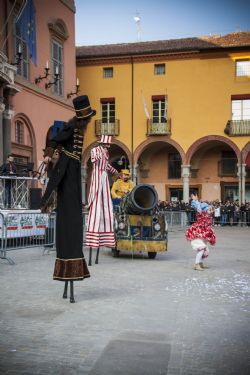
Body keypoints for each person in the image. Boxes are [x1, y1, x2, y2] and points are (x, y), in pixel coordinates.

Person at [41, 95, 95, 302]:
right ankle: (67, 276)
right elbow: (54, 140)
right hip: (67, 173)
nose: (89, 122)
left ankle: (69, 279)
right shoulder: (71, 128)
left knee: (74, 223)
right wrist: (49, 154)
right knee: (69, 222)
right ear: (84, 118)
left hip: (72, 172)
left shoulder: (77, 129)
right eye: (88, 118)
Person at [85, 135, 118, 248]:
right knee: (96, 194)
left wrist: (114, 171)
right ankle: (91, 204)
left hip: (104, 175)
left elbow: (106, 165)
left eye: (107, 145)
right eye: (106, 145)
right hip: (97, 174)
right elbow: (94, 160)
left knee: (106, 201)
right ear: (103, 144)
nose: (107, 147)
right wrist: (101, 153)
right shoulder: (95, 150)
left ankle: (106, 237)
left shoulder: (106, 152)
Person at [186, 192, 216, 271]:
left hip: (203, 235)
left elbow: (208, 226)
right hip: (197, 234)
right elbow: (199, 208)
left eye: (212, 210)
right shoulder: (202, 214)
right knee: (202, 249)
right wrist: (196, 201)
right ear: (206, 209)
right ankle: (196, 265)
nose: (211, 211)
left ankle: (200, 263)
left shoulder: (209, 217)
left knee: (204, 250)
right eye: (210, 209)